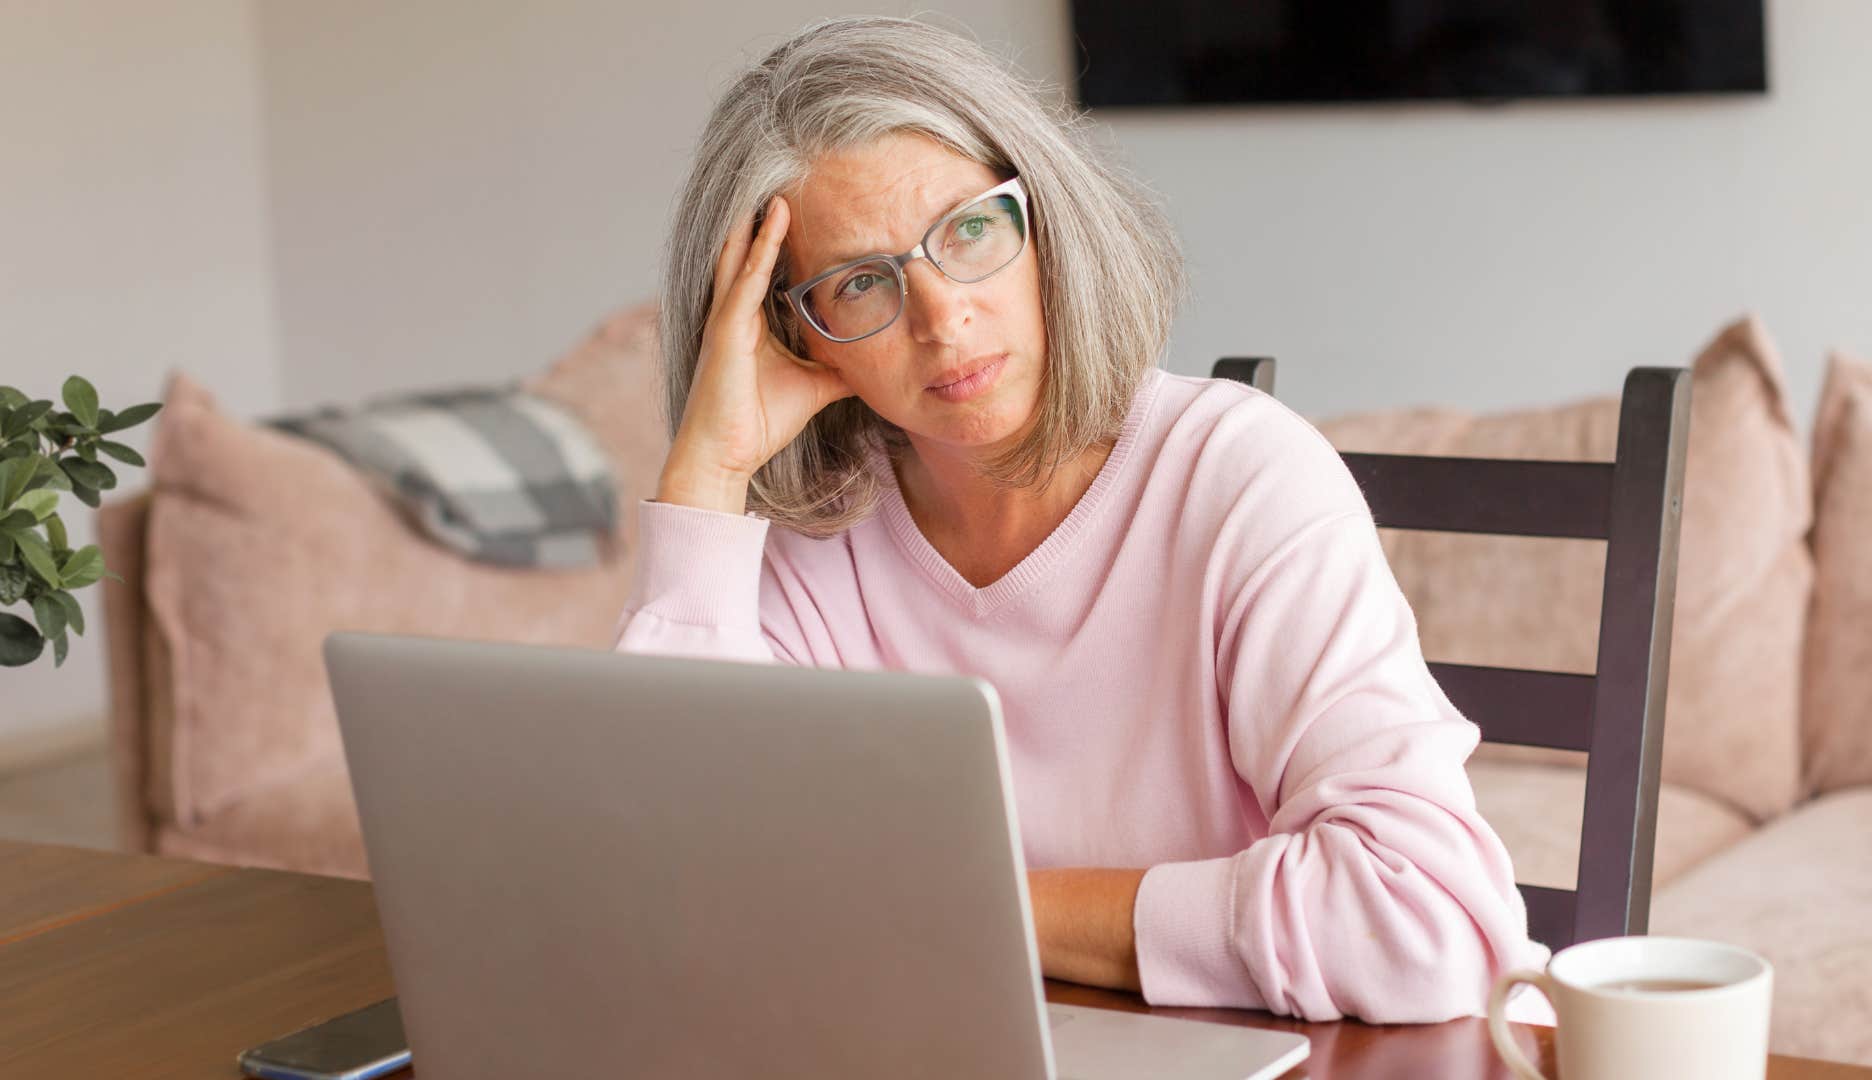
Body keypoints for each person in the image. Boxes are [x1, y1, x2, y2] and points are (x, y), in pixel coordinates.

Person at [612, 15, 1549, 1024]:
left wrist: (975, 910)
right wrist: (708, 471)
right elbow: (681, 905)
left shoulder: (1238, 479)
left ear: (1044, 219)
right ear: (794, 333)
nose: (942, 321)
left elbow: (1425, 925)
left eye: (970, 231)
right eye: (859, 284)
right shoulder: (808, 551)